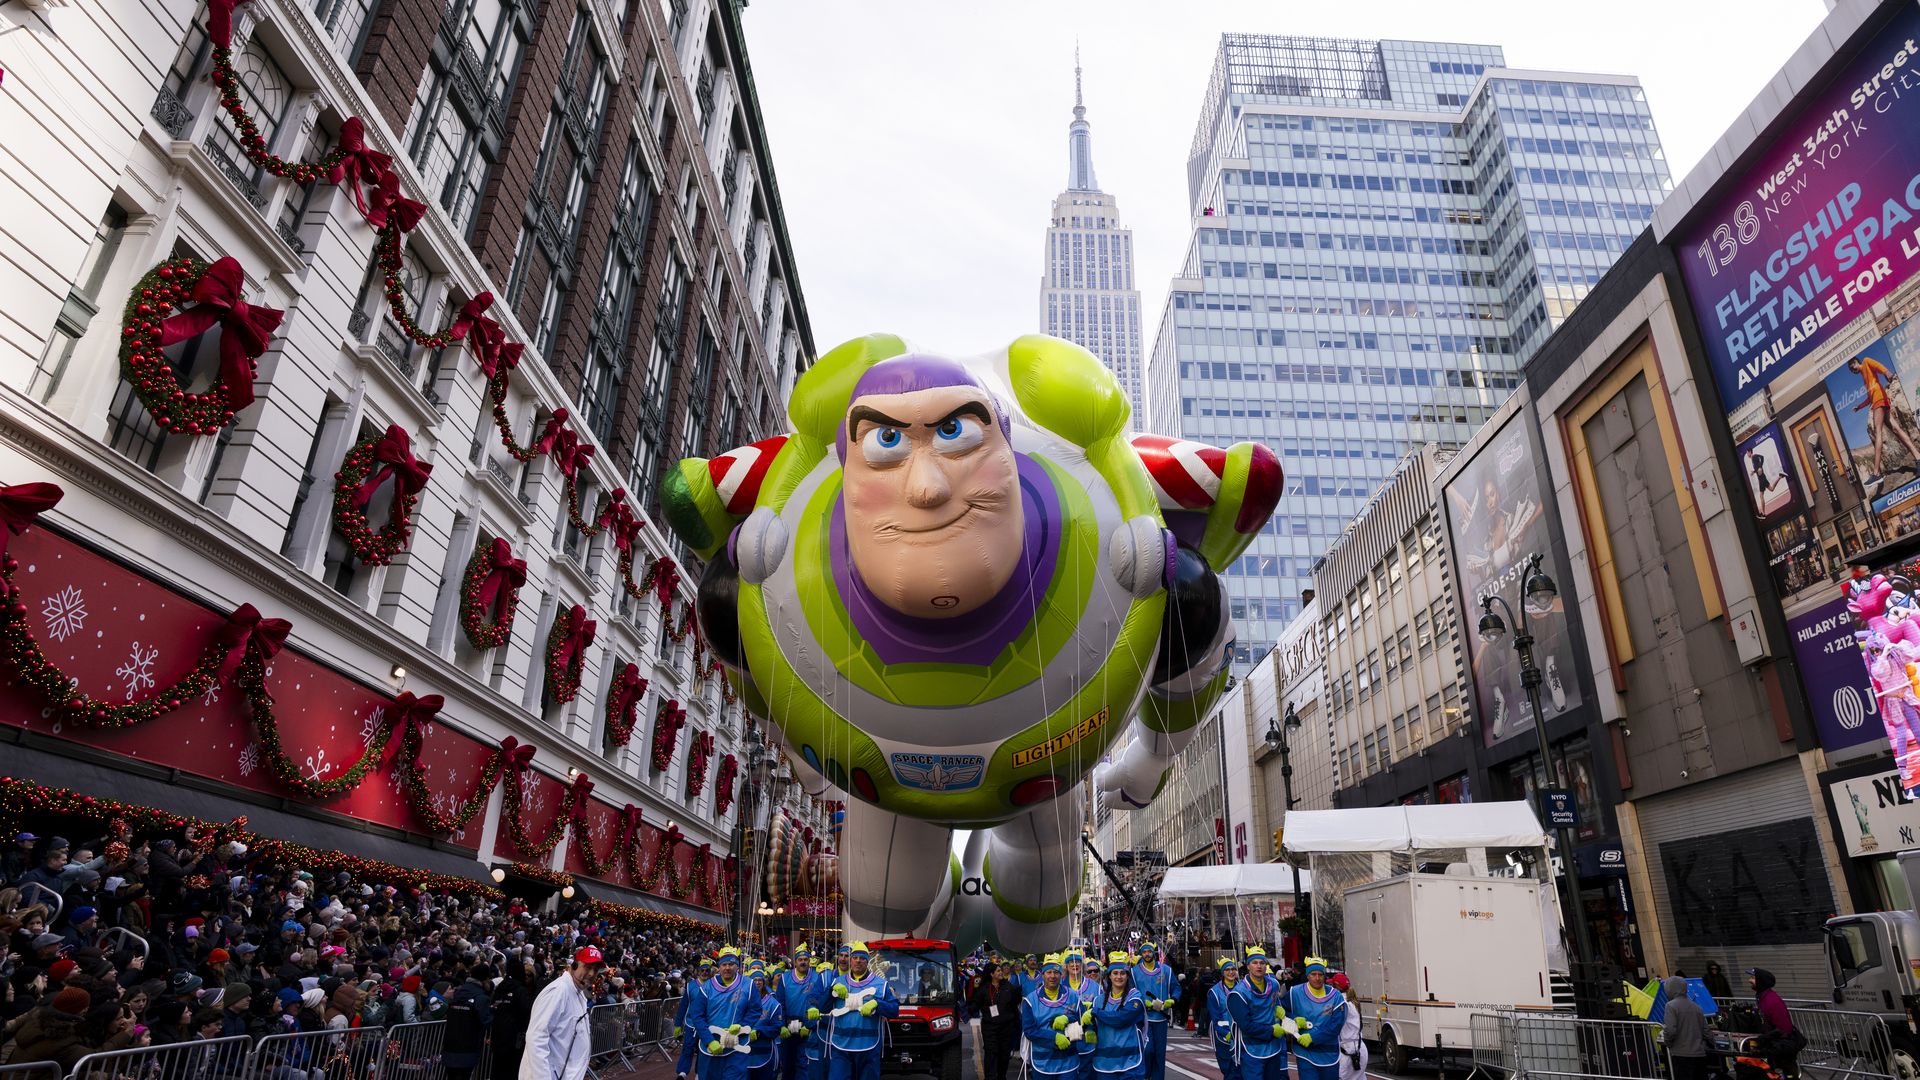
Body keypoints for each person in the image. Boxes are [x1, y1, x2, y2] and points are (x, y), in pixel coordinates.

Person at [521, 945, 606, 1080]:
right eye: (588, 967)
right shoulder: (558, 991)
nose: (591, 974)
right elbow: (536, 1038)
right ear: (574, 965)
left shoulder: (578, 992)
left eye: (595, 970)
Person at [819, 942, 897, 1080]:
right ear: (851, 960)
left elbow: (894, 1010)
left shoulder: (881, 984)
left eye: (862, 958)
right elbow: (822, 1008)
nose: (858, 961)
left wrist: (877, 1004)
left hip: (869, 1047)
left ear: (867, 962)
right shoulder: (838, 981)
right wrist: (831, 991)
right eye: (855, 958)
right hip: (840, 1046)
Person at [690, 948, 761, 1080]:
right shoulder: (707, 987)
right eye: (724, 964)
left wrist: (742, 1026)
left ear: (737, 966)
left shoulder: (749, 985)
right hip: (711, 1048)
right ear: (719, 967)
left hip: (737, 1046)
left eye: (731, 964)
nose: (727, 968)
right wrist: (709, 1041)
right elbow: (697, 1015)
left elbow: (755, 1010)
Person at [1849, 354, 1920, 483]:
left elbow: (1877, 365)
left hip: (1879, 400)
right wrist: (1859, 407)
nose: (1852, 369)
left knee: (1878, 433)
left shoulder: (1865, 361)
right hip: (1880, 399)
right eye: (1851, 369)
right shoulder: (1865, 378)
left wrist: (1886, 372)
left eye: (1852, 366)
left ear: (1855, 361)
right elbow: (1869, 397)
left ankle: (1876, 473)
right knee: (1896, 429)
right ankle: (1918, 457)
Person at [1226, 948, 1289, 1080]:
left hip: (1274, 1046)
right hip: (1251, 1049)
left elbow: (1276, 1005)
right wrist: (1271, 1030)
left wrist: (1282, 1013)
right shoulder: (1238, 993)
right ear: (1248, 966)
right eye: (1254, 962)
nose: (1259, 966)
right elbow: (1246, 1025)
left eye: (1262, 962)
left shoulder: (1274, 984)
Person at [1022, 955, 1082, 1080]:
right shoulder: (1030, 1000)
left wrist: (1069, 1018)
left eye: (1056, 972)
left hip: (1068, 1059)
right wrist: (1054, 1038)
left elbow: (1082, 1020)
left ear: (1061, 975)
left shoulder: (1073, 996)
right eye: (1049, 972)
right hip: (1043, 1061)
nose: (1052, 976)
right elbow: (1029, 1031)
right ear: (1043, 975)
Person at [1091, 951, 1146, 1080]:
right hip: (1104, 1063)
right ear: (1109, 976)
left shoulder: (1135, 997)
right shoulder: (1098, 1001)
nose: (1119, 977)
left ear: (1127, 976)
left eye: (1123, 973)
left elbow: (1121, 1019)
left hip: (1130, 1062)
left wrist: (1096, 1012)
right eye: (1115, 973)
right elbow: (1092, 1026)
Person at [1288, 958, 1346, 1080]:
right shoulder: (1295, 993)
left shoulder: (1336, 997)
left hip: (1329, 1052)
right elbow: (1280, 1011)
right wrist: (1294, 1019)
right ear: (1307, 975)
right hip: (1305, 1052)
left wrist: (1312, 1037)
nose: (1317, 978)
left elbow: (1335, 1026)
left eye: (1320, 974)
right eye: (1313, 974)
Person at [975, 959, 1023, 1080]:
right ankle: (990, 1077)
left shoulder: (1008, 986)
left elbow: (1014, 1002)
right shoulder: (983, 989)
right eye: (998, 971)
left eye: (1000, 970)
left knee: (1004, 1054)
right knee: (991, 1053)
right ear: (991, 974)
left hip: (1006, 1027)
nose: (1001, 972)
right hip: (990, 1027)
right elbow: (976, 1004)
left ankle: (1002, 1076)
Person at [1132, 942, 1175, 1080]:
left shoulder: (1166, 970)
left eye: (1149, 951)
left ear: (1154, 952)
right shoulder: (1134, 971)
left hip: (1161, 1019)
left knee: (1160, 1053)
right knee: (1148, 1050)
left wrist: (1173, 999)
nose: (1147, 954)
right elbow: (1130, 991)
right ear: (1141, 954)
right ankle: (1145, 1075)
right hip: (1143, 1019)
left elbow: (1176, 988)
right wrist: (1140, 1001)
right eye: (1144, 952)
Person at [1750, 968, 1803, 1079]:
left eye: (1753, 978)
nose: (1749, 980)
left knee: (1788, 1073)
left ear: (1761, 981)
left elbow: (1784, 1028)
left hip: (1781, 1047)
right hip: (1774, 1046)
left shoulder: (1772, 1000)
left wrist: (1765, 1037)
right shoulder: (1762, 997)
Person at [445, 964, 494, 1080]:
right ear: (485, 979)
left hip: (450, 1044)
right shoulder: (481, 998)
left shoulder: (457, 992)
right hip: (469, 1046)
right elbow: (485, 1020)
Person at [776, 946, 817, 1080]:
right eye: (800, 959)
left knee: (805, 1066)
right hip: (788, 1027)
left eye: (806, 959)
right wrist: (781, 1025)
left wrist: (810, 1025)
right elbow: (780, 1004)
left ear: (809, 961)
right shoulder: (785, 978)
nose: (803, 962)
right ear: (795, 961)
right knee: (788, 1065)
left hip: (808, 1028)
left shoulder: (817, 977)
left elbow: (819, 1003)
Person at [490, 960, 534, 1080]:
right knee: (512, 1070)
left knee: (498, 1069)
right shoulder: (520, 990)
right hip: (514, 1038)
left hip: (498, 1035)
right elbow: (527, 1010)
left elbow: (493, 1007)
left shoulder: (500, 988)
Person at [676, 955, 715, 1080]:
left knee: (702, 1051)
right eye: (702, 970)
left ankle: (699, 1073)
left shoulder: (714, 986)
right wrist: (677, 1023)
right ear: (698, 971)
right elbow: (683, 1006)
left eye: (707, 971)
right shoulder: (690, 986)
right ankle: (682, 1072)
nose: (704, 972)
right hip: (691, 1024)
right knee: (687, 1048)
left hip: (706, 1024)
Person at [1663, 974, 1708, 1080]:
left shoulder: (1670, 1006)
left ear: (1670, 989)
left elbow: (1670, 1030)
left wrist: (1668, 1043)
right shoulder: (1696, 1007)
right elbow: (1706, 1030)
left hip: (1681, 1054)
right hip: (1699, 1053)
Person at [747, 962, 784, 1080]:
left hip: (765, 1054)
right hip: (742, 1054)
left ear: (764, 982)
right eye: (754, 980)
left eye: (760, 980)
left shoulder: (773, 1003)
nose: (757, 982)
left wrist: (759, 1031)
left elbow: (777, 1027)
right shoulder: (741, 1000)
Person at [1207, 956, 1241, 1080]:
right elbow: (1215, 1019)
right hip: (1223, 1036)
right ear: (1222, 972)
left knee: (1242, 1070)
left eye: (1233, 969)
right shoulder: (1214, 992)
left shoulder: (1243, 988)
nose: (1231, 972)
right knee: (1228, 1070)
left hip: (1241, 1035)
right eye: (1227, 970)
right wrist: (1226, 1033)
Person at [1329, 973, 1366, 1080]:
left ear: (1336, 986)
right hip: (1360, 1048)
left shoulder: (1341, 1002)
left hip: (1348, 1052)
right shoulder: (1353, 1001)